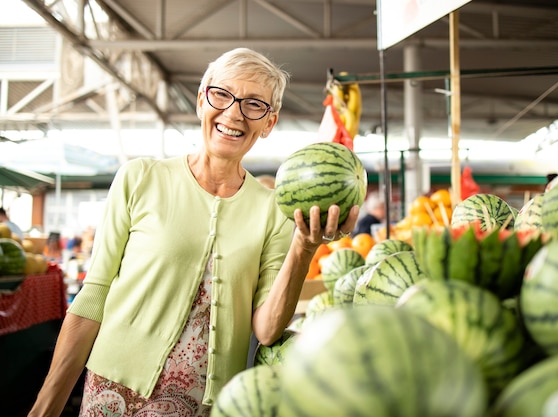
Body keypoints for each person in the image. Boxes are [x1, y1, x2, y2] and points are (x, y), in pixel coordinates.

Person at [28, 47, 359, 417]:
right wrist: (47, 406)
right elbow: (94, 296)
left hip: (208, 405)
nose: (234, 113)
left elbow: (266, 330)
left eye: (254, 105)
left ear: (269, 122)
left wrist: (304, 245)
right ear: (202, 100)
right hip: (114, 392)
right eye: (222, 94)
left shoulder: (273, 210)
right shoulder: (140, 179)